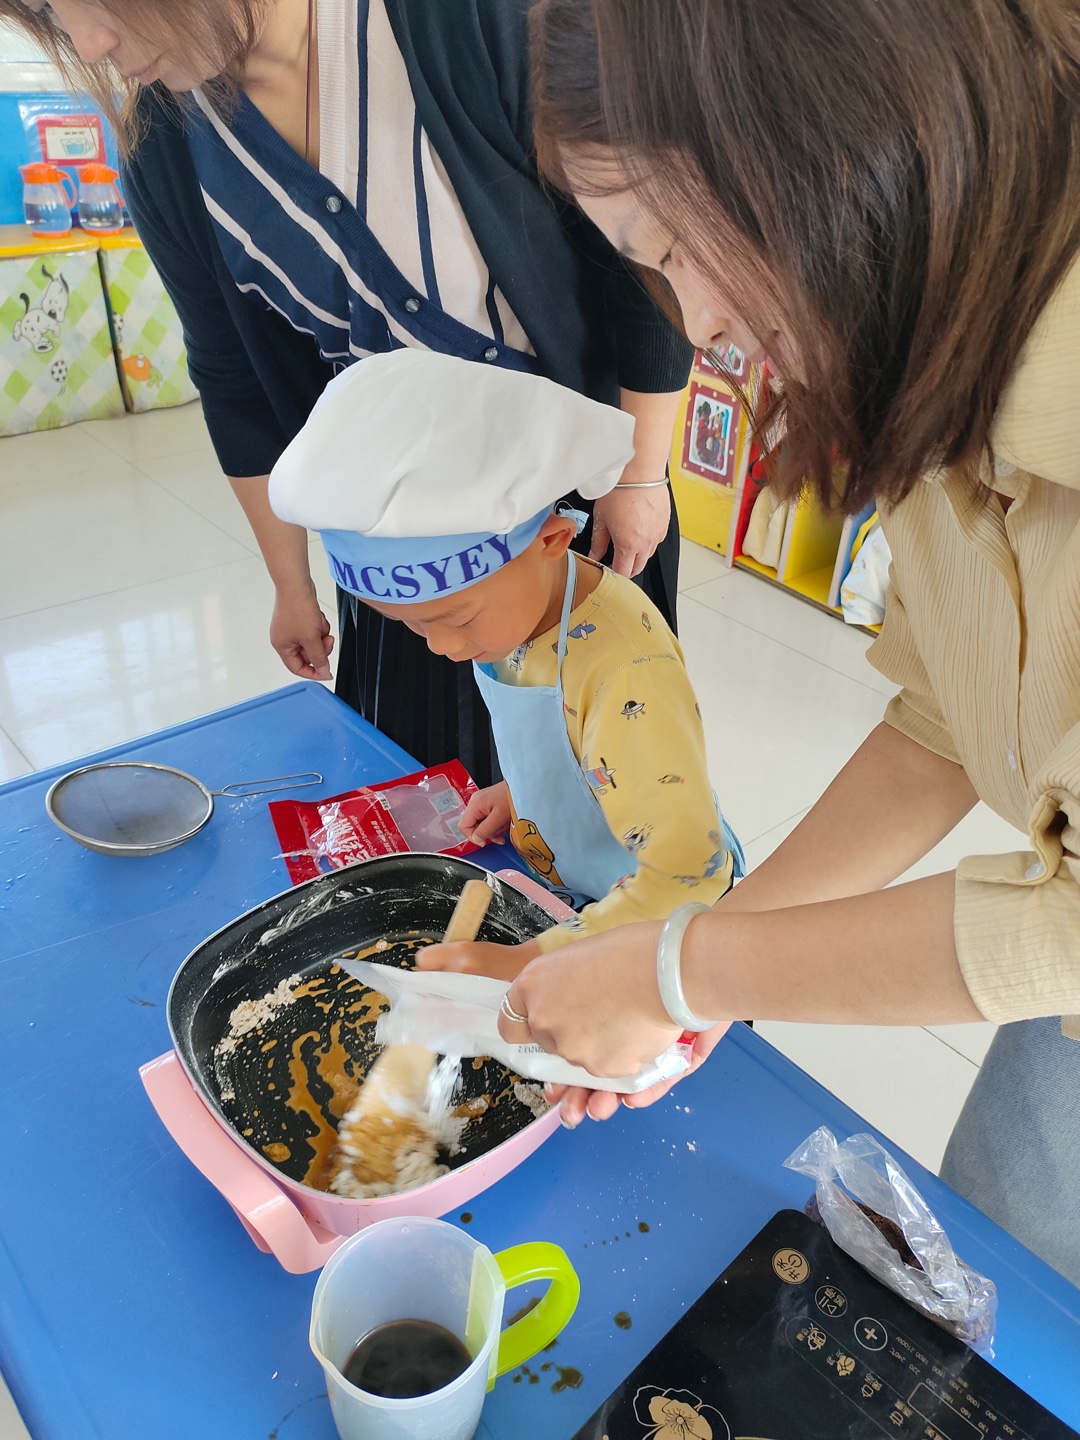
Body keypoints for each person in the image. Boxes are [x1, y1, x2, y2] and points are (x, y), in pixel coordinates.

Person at [418, 0, 1080, 1285]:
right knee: (1006, 1275)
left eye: (678, 244)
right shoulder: (933, 338)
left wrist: (682, 969)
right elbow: (942, 720)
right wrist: (696, 969)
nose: (700, 327)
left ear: (837, 121)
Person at [3, 0, 692, 787]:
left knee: (606, 765)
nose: (89, 42)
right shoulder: (165, 144)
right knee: (427, 785)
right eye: (52, 13)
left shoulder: (465, 21)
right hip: (386, 531)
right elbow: (233, 376)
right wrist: (291, 585)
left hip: (579, 483)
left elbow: (643, 235)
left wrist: (640, 471)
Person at [269, 348, 742, 951]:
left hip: (659, 934)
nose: (441, 647)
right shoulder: (518, 615)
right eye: (412, 625)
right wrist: (525, 794)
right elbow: (580, 753)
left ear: (552, 540)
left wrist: (533, 961)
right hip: (575, 898)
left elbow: (687, 879)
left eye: (457, 618)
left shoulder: (626, 670)